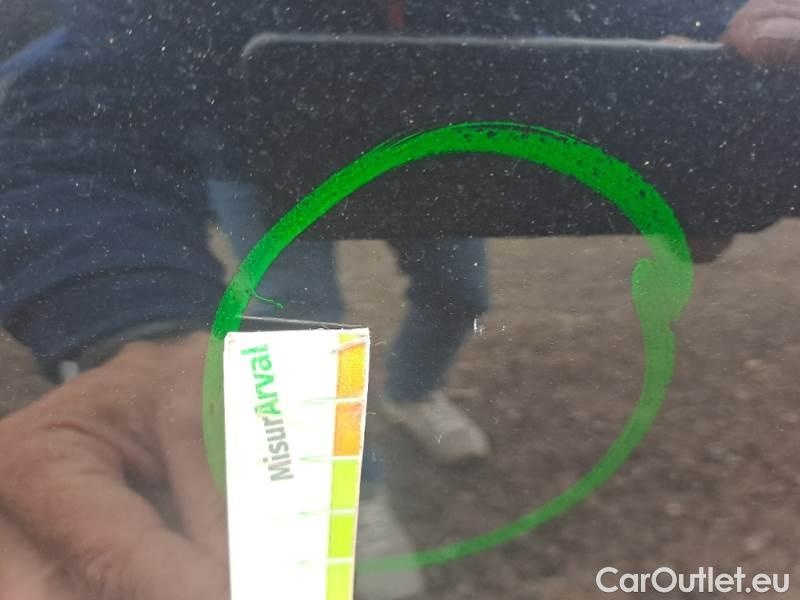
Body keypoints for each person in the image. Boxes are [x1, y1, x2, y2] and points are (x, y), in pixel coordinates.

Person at [1, 1, 797, 599]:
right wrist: (134, 316)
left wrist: (719, 27)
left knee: (459, 293)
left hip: (423, 145)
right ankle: (362, 490)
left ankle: (412, 393)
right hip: (261, 164)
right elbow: (69, 101)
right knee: (303, 338)